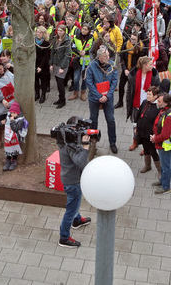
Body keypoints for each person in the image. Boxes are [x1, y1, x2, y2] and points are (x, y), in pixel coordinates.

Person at [57, 116, 91, 248]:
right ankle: (64, 237)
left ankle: (77, 220)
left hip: (70, 179)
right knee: (71, 210)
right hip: (73, 183)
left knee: (74, 203)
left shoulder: (64, 140)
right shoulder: (70, 146)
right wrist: (85, 147)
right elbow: (81, 163)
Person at [84, 46, 118, 153]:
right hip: (94, 98)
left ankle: (112, 143)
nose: (108, 57)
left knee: (111, 120)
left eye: (108, 55)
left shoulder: (112, 65)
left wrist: (107, 96)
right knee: (93, 120)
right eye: (105, 56)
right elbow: (89, 83)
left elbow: (114, 81)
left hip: (108, 97)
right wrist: (99, 96)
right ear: (99, 57)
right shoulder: (91, 67)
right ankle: (93, 141)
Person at [152, 93, 171, 194]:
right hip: (162, 143)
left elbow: (165, 135)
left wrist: (155, 139)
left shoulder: (170, 117)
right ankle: (162, 181)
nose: (157, 103)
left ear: (166, 103)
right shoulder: (168, 108)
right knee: (163, 165)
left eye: (159, 101)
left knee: (165, 166)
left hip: (164, 145)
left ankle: (166, 187)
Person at [50, 25, 71, 109]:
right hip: (55, 63)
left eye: (61, 31)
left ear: (64, 31)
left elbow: (67, 55)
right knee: (58, 82)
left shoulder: (67, 41)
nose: (59, 32)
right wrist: (51, 63)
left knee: (60, 83)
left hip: (62, 65)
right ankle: (60, 99)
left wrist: (62, 67)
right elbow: (52, 52)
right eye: (58, 30)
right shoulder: (56, 39)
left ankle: (63, 100)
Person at [2, 102, 28, 171]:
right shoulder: (9, 116)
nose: (12, 114)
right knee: (8, 149)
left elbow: (16, 129)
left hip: (16, 138)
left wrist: (12, 121)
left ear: (18, 113)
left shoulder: (20, 120)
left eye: (14, 113)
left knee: (14, 149)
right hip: (8, 137)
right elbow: (7, 124)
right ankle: (8, 160)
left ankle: (14, 161)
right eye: (11, 112)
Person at [34, 26, 51, 104]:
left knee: (43, 81)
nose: (38, 34)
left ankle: (43, 95)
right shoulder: (33, 41)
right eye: (37, 32)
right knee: (35, 81)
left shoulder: (46, 43)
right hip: (34, 64)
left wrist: (40, 67)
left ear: (43, 33)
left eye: (40, 32)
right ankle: (37, 94)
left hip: (43, 65)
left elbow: (46, 57)